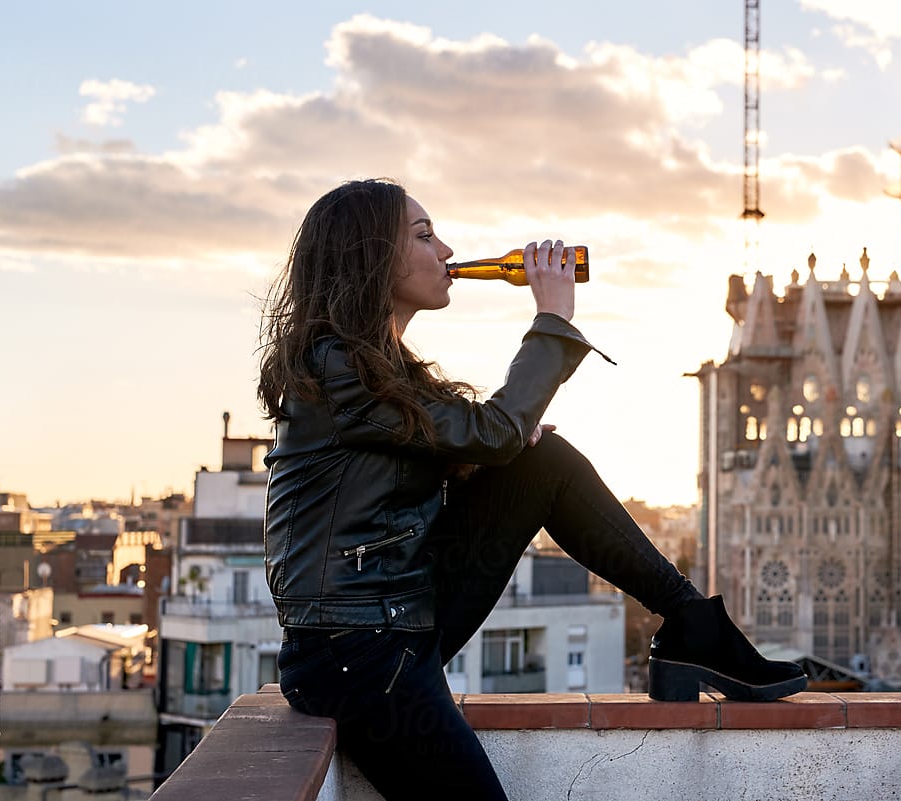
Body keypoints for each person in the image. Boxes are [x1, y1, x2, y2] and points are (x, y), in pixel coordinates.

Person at [258, 178, 807, 800]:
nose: (447, 251)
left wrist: (500, 451)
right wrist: (551, 318)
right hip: (352, 652)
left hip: (397, 625)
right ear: (370, 257)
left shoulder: (380, 367)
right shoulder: (337, 365)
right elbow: (492, 431)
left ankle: (690, 623)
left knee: (544, 462)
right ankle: (694, 629)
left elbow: (462, 448)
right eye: (424, 235)